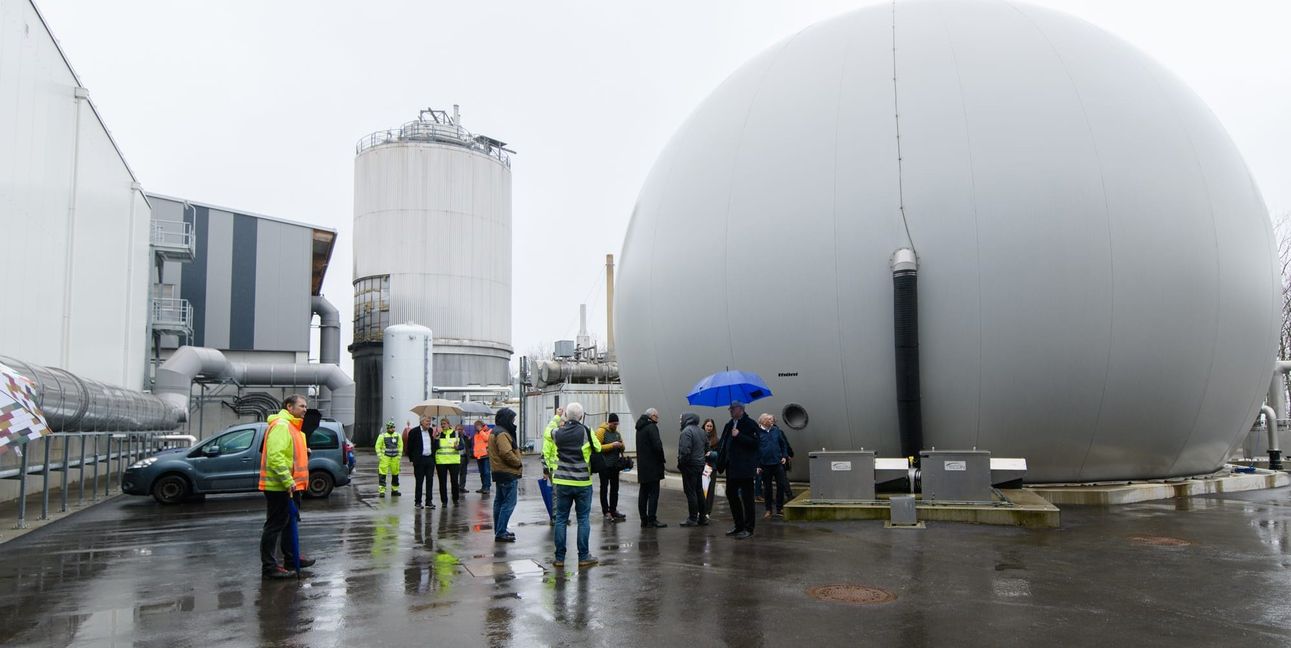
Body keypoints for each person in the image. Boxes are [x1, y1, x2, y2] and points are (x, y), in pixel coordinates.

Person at [259, 394, 315, 579]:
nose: (305, 409)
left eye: (306, 406)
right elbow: (275, 457)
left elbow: (288, 454)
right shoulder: (282, 426)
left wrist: (304, 451)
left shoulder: (293, 427)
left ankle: (291, 558)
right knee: (274, 526)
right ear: (289, 407)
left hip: (292, 487)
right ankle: (269, 568)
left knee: (289, 523)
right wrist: (287, 481)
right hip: (280, 487)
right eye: (301, 406)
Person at [543, 402, 601, 568]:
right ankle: (583, 556)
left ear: (566, 416)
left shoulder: (558, 432)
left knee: (561, 519)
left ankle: (559, 558)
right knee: (583, 519)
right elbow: (597, 448)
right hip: (583, 482)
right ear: (581, 416)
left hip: (562, 482)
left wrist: (556, 417)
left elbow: (547, 433)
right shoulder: (586, 431)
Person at [719, 400, 761, 539]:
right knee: (731, 494)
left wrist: (740, 436)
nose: (730, 411)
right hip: (731, 467)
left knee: (747, 498)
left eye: (733, 408)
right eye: (730, 409)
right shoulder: (729, 425)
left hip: (745, 467)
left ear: (741, 409)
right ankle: (739, 525)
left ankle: (749, 528)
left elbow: (756, 443)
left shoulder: (750, 424)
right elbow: (724, 444)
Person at [489, 408, 523, 542]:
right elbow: (506, 453)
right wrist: (518, 462)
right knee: (508, 503)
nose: (513, 422)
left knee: (499, 502)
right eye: (512, 420)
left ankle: (499, 530)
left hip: (500, 472)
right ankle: (501, 531)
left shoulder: (495, 431)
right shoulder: (502, 433)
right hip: (507, 472)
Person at [635, 408, 667, 528]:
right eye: (657, 417)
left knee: (643, 493)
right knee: (654, 493)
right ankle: (652, 519)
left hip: (643, 467)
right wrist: (662, 459)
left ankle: (644, 519)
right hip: (653, 466)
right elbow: (657, 446)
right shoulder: (652, 427)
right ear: (652, 416)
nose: (657, 419)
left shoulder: (639, 428)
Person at [756, 413, 791, 518]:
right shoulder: (757, 433)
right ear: (763, 421)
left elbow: (782, 444)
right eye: (769, 420)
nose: (772, 421)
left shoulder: (776, 430)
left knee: (781, 485)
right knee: (767, 488)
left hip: (777, 463)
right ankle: (768, 509)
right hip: (765, 465)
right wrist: (757, 465)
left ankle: (779, 508)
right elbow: (755, 450)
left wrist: (784, 456)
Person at [594, 413, 627, 522]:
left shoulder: (617, 434)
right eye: (614, 424)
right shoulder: (601, 431)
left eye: (617, 424)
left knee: (615, 489)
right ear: (609, 423)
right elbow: (597, 447)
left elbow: (623, 447)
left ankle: (613, 510)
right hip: (604, 465)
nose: (615, 426)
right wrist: (612, 445)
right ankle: (606, 511)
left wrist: (621, 445)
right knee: (604, 488)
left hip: (614, 466)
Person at [677, 412, 708, 527]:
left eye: (681, 419)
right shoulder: (701, 431)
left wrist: (681, 463)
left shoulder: (686, 432)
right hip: (700, 465)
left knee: (691, 492)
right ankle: (703, 517)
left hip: (689, 466)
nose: (680, 421)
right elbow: (707, 447)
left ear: (687, 419)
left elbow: (685, 451)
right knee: (699, 491)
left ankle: (692, 518)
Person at [404, 416, 437, 509]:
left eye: (429, 422)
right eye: (427, 421)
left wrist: (435, 438)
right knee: (419, 481)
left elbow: (433, 445)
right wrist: (413, 459)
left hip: (429, 459)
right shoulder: (414, 432)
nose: (429, 423)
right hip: (419, 460)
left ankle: (429, 501)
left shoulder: (431, 431)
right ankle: (418, 502)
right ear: (421, 422)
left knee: (430, 481)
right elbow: (409, 447)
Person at [434, 418, 463, 505]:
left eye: (444, 423)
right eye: (441, 424)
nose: (443, 425)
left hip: (453, 461)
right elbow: (435, 448)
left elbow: (462, 446)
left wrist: (457, 447)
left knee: (454, 481)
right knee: (442, 482)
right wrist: (436, 439)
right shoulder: (439, 435)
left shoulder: (456, 434)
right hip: (441, 462)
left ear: (449, 424)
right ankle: (444, 501)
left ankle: (455, 498)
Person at [374, 420, 403, 497]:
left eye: (393, 427)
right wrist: (380, 456)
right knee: (383, 474)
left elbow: (400, 446)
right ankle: (382, 491)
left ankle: (395, 490)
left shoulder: (398, 435)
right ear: (387, 428)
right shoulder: (382, 436)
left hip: (395, 459)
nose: (392, 429)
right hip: (385, 458)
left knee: (395, 474)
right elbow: (377, 446)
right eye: (391, 428)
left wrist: (399, 456)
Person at [702, 418, 720, 517]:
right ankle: (700, 510)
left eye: (710, 426)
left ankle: (707, 511)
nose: (709, 428)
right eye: (707, 426)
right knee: (701, 490)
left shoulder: (717, 439)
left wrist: (711, 454)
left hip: (711, 468)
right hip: (701, 467)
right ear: (704, 426)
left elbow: (719, 454)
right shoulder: (699, 436)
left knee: (710, 490)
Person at [542, 407, 564, 479]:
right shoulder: (550, 438)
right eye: (561, 425)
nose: (563, 427)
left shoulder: (559, 437)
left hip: (561, 470)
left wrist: (558, 415)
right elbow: (545, 456)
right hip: (553, 470)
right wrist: (545, 471)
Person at [472, 419, 492, 494]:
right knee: (482, 472)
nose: (476, 427)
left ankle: (487, 487)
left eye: (477, 426)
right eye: (475, 426)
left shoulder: (489, 431)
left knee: (486, 472)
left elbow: (486, 439)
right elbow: (476, 444)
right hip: (478, 455)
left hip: (486, 455)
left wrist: (481, 431)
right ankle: (483, 487)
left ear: (481, 425)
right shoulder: (476, 434)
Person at [456, 422, 471, 492]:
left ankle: (462, 487)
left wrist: (469, 439)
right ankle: (455, 487)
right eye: (458, 429)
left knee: (463, 474)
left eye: (461, 429)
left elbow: (469, 446)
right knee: (456, 473)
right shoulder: (454, 438)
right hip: (457, 457)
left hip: (464, 457)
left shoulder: (465, 437)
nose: (460, 431)